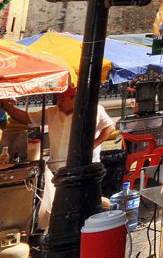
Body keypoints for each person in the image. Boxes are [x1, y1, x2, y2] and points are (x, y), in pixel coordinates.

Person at [2, 88, 117, 226]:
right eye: (57, 99)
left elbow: (110, 127)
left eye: (62, 99)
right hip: (58, 168)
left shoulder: (93, 109)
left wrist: (94, 144)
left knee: (87, 200)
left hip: (85, 166)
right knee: (62, 202)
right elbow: (26, 118)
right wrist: (6, 105)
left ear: (74, 98)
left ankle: (98, 218)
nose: (58, 103)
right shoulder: (52, 112)